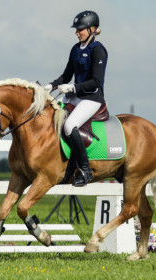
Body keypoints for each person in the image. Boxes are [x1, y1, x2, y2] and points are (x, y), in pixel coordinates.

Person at [44, 11, 108, 187]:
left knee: (69, 125)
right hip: (75, 96)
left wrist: (73, 87)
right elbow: (66, 75)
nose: (77, 32)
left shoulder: (98, 50)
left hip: (92, 98)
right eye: (77, 29)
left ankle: (85, 170)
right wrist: (51, 86)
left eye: (80, 29)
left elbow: (95, 81)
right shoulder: (75, 49)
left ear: (92, 29)